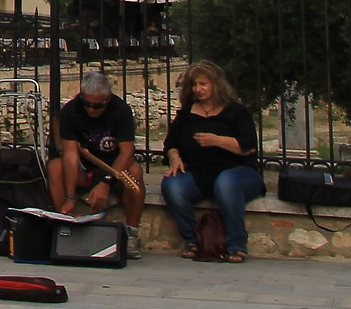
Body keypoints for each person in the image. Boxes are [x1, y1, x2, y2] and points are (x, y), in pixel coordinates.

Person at [161, 60, 264, 262]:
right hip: (199, 173)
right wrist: (175, 159)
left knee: (226, 183)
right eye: (194, 85)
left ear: (216, 85)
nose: (198, 89)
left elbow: (249, 146)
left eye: (203, 84)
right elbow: (171, 143)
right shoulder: (186, 114)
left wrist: (217, 141)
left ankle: (236, 244)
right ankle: (193, 239)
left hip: (237, 171)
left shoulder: (236, 112)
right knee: (172, 186)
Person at [50, 70, 144, 229]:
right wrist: (71, 197)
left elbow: (127, 153)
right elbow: (70, 155)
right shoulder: (71, 110)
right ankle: (65, 225)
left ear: (108, 99)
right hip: (85, 170)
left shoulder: (121, 110)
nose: (92, 110)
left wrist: (106, 183)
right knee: (55, 167)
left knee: (135, 172)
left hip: (115, 168)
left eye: (98, 106)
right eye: (87, 104)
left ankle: (132, 232)